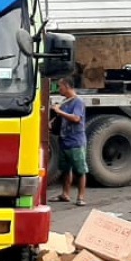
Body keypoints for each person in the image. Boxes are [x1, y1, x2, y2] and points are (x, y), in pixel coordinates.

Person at [50, 77, 88, 206]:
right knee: (66, 170)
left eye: (60, 87)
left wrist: (59, 111)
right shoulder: (65, 102)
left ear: (67, 86)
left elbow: (76, 118)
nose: (59, 89)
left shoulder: (78, 102)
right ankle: (65, 194)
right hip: (64, 140)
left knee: (80, 170)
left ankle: (81, 197)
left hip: (75, 141)